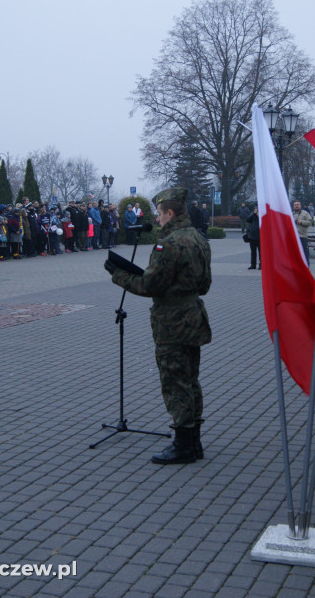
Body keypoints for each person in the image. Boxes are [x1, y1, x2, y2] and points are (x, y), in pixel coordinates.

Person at [104, 187, 212, 464]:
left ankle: (184, 445)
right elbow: (206, 285)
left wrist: (119, 276)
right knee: (190, 378)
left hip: (172, 321)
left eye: (160, 214)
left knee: (174, 381)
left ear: (170, 212)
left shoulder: (169, 243)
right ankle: (194, 441)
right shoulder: (199, 238)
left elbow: (149, 284)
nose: (159, 219)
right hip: (193, 315)